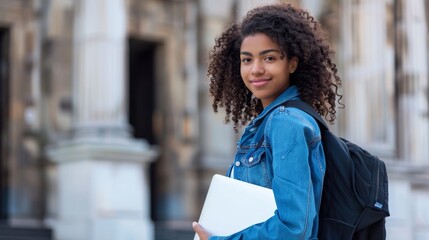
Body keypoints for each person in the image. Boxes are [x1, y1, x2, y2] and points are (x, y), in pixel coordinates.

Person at [193, 3, 343, 240]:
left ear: (292, 63)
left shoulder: (286, 123)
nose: (256, 69)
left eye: (269, 58)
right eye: (247, 60)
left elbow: (294, 228)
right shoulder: (268, 123)